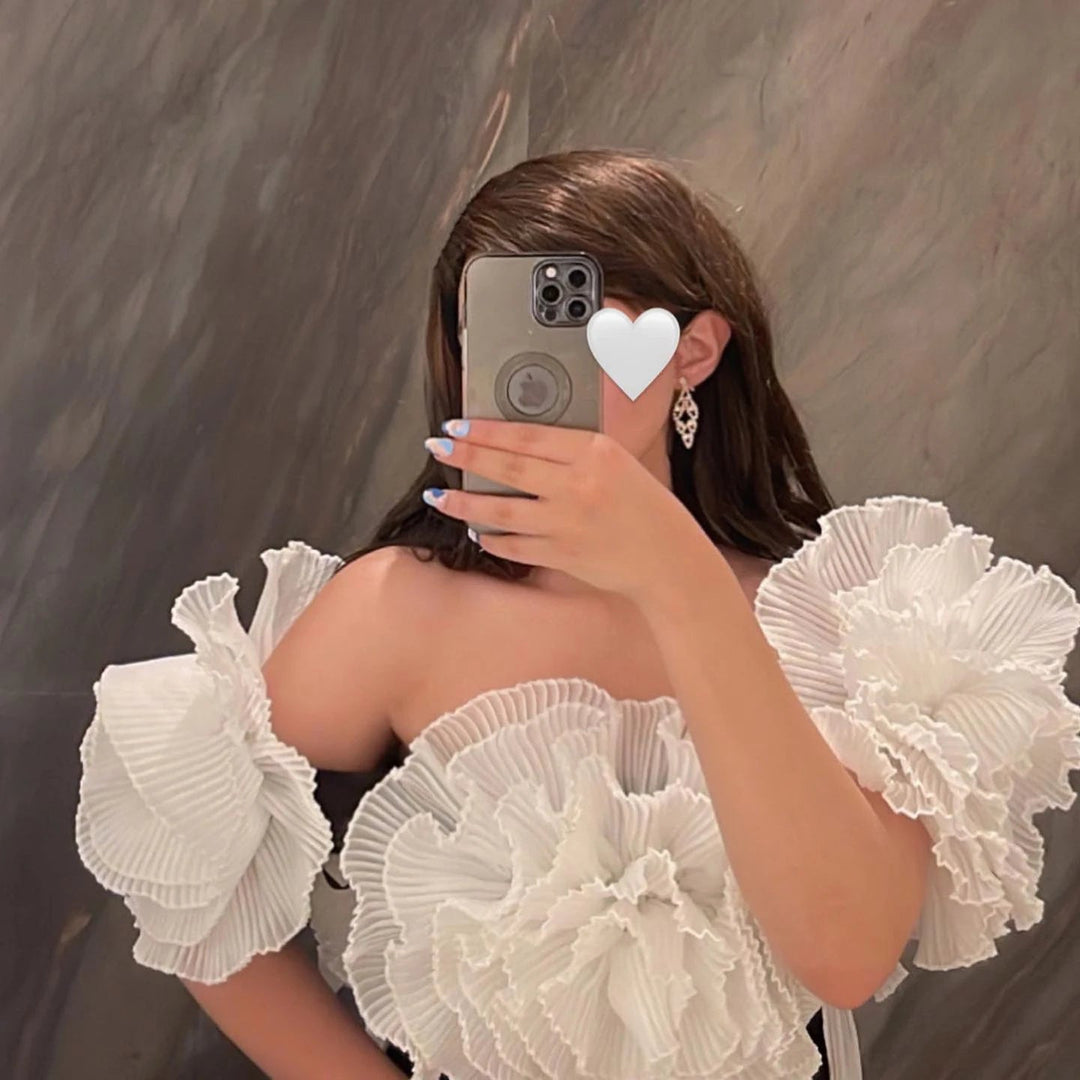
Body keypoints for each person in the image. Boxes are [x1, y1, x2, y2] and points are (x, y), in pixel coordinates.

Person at [74, 149, 1080, 1080]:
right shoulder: (396, 612)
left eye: (579, 322)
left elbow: (846, 957)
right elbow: (195, 886)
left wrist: (684, 584)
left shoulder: (850, 623)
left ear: (693, 352)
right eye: (495, 331)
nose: (532, 372)